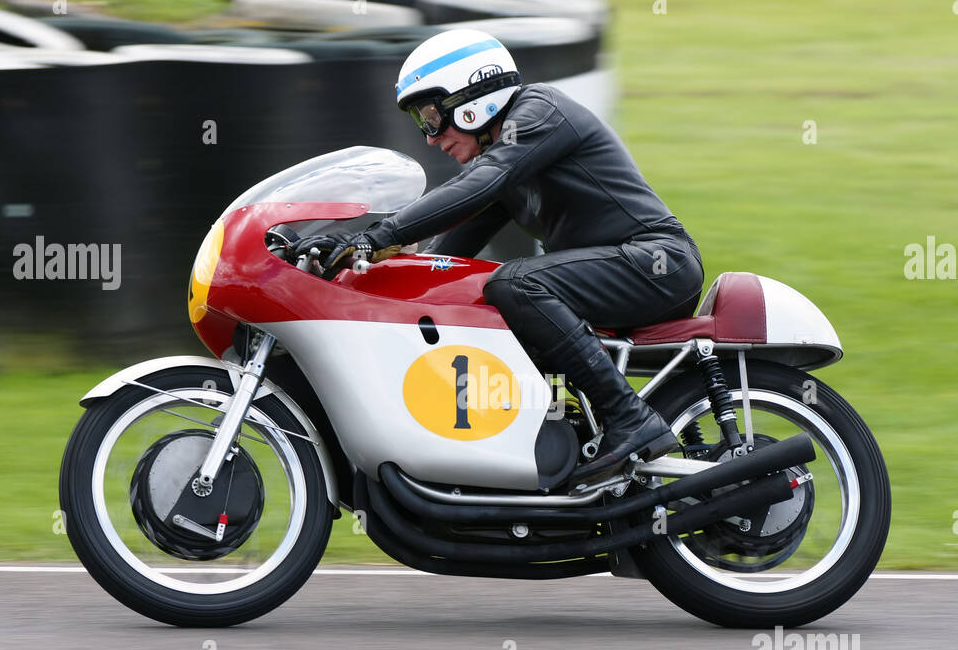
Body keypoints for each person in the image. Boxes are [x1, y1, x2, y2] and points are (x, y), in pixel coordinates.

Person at [291, 29, 705, 484]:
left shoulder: (539, 112)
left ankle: (630, 419)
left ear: (473, 98)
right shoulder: (505, 164)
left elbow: (480, 184)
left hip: (656, 263)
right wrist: (360, 276)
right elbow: (440, 266)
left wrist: (377, 236)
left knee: (513, 284)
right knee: (475, 301)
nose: (431, 138)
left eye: (432, 116)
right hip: (627, 271)